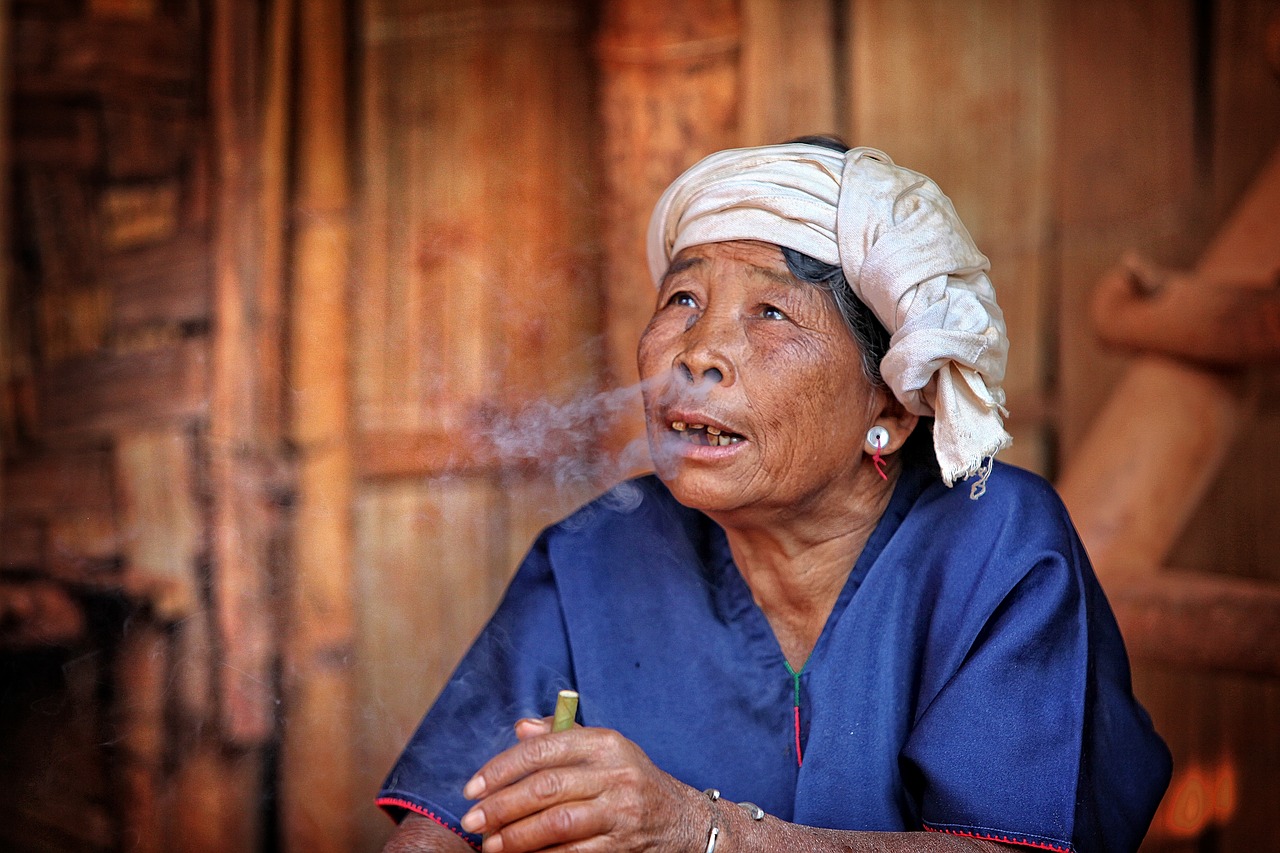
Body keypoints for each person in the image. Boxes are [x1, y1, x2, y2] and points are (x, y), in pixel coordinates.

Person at [378, 138, 1171, 853]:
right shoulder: (596, 555)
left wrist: (700, 832)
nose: (700, 352)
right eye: (682, 300)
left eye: (771, 312)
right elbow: (446, 825)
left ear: (889, 406)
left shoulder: (997, 545)